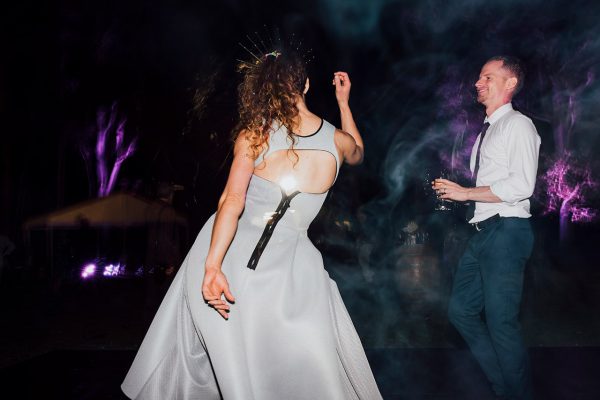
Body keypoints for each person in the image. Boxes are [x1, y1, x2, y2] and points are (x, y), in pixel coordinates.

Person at [122, 48, 382, 399]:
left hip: (232, 253)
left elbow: (232, 201)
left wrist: (212, 266)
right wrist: (344, 103)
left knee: (232, 359)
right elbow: (359, 152)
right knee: (293, 358)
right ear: (304, 84)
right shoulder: (339, 141)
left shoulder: (254, 134)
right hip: (294, 265)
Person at [433, 56, 541, 399]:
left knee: (501, 324)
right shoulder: (487, 131)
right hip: (483, 234)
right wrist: (461, 193)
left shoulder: (518, 125)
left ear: (510, 83)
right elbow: (490, 183)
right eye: (478, 77)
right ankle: (504, 388)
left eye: (488, 77)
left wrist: (465, 192)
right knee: (460, 311)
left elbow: (522, 185)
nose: (478, 83)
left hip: (507, 232)